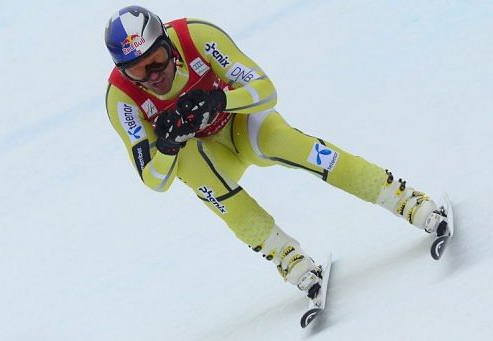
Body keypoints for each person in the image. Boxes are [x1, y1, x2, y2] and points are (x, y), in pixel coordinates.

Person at [104, 6, 449, 305]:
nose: (154, 75)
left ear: (168, 44)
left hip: (243, 126)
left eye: (158, 61)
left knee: (289, 144)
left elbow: (266, 91)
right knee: (191, 169)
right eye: (138, 71)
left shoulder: (195, 36)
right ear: (123, 71)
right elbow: (154, 179)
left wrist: (220, 101)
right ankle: (287, 257)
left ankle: (405, 199)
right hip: (210, 155)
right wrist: (167, 145)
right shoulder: (121, 99)